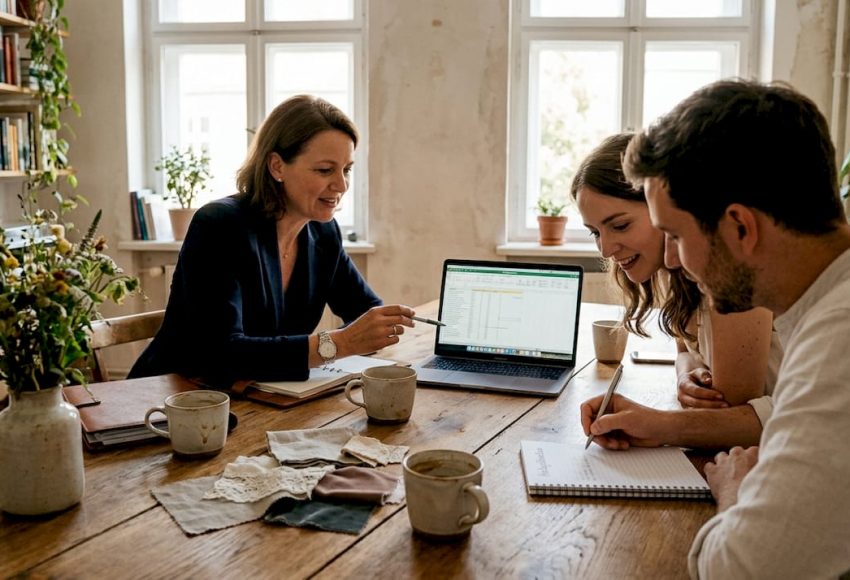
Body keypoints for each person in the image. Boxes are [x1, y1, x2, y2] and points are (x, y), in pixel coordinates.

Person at [592, 79, 850, 578]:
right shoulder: (824, 312)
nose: (672, 260)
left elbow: (739, 569)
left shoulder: (838, 342)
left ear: (740, 227)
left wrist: (734, 490)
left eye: (675, 235)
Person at [130, 95, 415, 386]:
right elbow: (221, 352)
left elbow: (365, 313)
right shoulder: (219, 224)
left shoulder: (323, 232)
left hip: (257, 396)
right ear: (277, 166)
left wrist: (375, 330)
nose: (341, 185)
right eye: (325, 170)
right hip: (170, 396)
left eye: (347, 169)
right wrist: (339, 344)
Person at [573, 133, 781, 449]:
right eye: (595, 233)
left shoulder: (726, 267)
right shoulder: (677, 269)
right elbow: (685, 351)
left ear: (663, 207)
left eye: (620, 225)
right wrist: (687, 374)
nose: (605, 249)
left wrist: (655, 424)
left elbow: (729, 412)